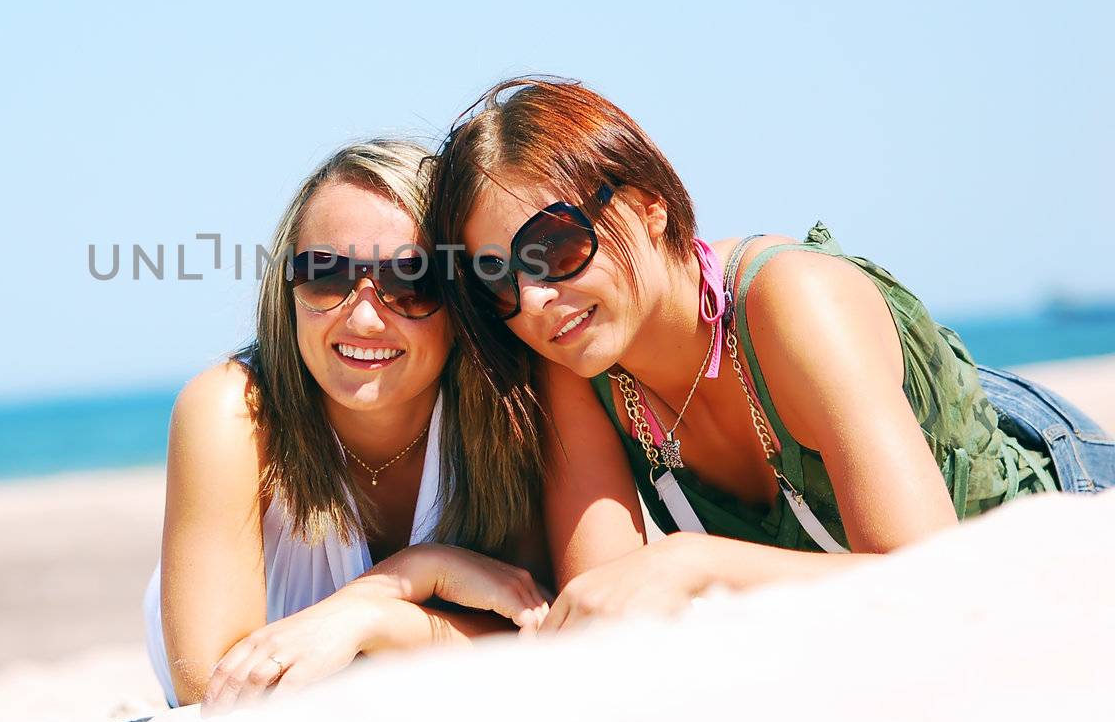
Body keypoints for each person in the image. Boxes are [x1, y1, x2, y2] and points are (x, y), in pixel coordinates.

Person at [426, 76, 1112, 629]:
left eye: (554, 246)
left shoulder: (792, 301)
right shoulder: (578, 356)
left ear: (647, 206)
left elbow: (927, 576)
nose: (535, 297)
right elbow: (601, 607)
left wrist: (694, 561)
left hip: (1065, 503)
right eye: (495, 279)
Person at [143, 139, 549, 712]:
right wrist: (413, 579)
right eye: (326, 276)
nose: (361, 316)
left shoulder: (510, 413)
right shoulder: (231, 412)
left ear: (464, 302)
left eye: (412, 281)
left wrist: (375, 611)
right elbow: (216, 686)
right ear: (287, 290)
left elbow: (547, 637)